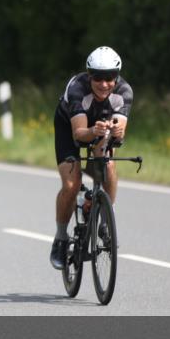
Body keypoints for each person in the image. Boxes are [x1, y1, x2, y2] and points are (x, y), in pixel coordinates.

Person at [49, 46, 133, 269]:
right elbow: (79, 135)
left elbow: (120, 132)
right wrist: (93, 131)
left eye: (110, 77)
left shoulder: (124, 91)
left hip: (100, 127)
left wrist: (116, 133)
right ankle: (60, 239)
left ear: (117, 76)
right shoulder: (78, 89)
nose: (104, 84)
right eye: (98, 77)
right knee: (71, 183)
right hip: (71, 127)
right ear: (89, 75)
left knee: (109, 164)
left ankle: (105, 218)